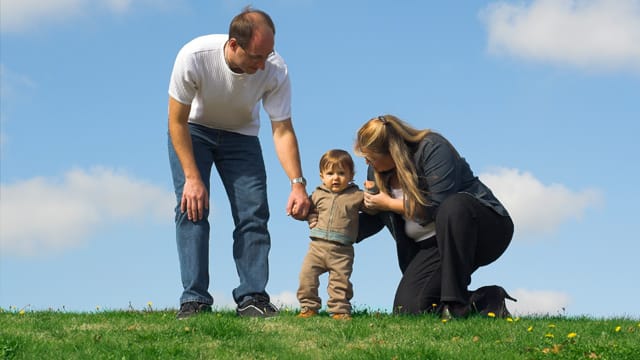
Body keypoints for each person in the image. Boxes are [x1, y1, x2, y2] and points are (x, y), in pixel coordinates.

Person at [167, 6, 311, 320]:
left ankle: (253, 298)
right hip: (194, 129)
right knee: (192, 208)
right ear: (233, 45)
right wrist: (193, 178)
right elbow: (176, 122)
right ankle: (194, 301)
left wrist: (297, 184)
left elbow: (282, 129)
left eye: (268, 54)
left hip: (242, 136)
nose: (263, 65)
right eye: (256, 56)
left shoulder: (275, 68)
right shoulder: (194, 56)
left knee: (253, 213)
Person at [354, 115, 514, 320]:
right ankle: (487, 299)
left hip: (481, 229)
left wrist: (388, 203)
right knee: (409, 310)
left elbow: (437, 206)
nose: (367, 162)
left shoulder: (433, 148)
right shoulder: (376, 171)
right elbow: (377, 215)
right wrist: (333, 227)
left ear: (391, 151)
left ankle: (454, 305)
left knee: (453, 206)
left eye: (371, 157)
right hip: (432, 245)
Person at [297, 150, 365, 320]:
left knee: (340, 282)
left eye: (341, 173)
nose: (335, 178)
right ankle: (308, 307)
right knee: (306, 276)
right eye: (330, 173)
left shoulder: (357, 196)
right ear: (322, 176)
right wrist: (307, 215)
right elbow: (306, 209)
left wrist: (372, 192)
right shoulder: (318, 194)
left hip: (342, 250)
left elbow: (373, 208)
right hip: (316, 247)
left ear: (351, 175)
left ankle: (340, 310)